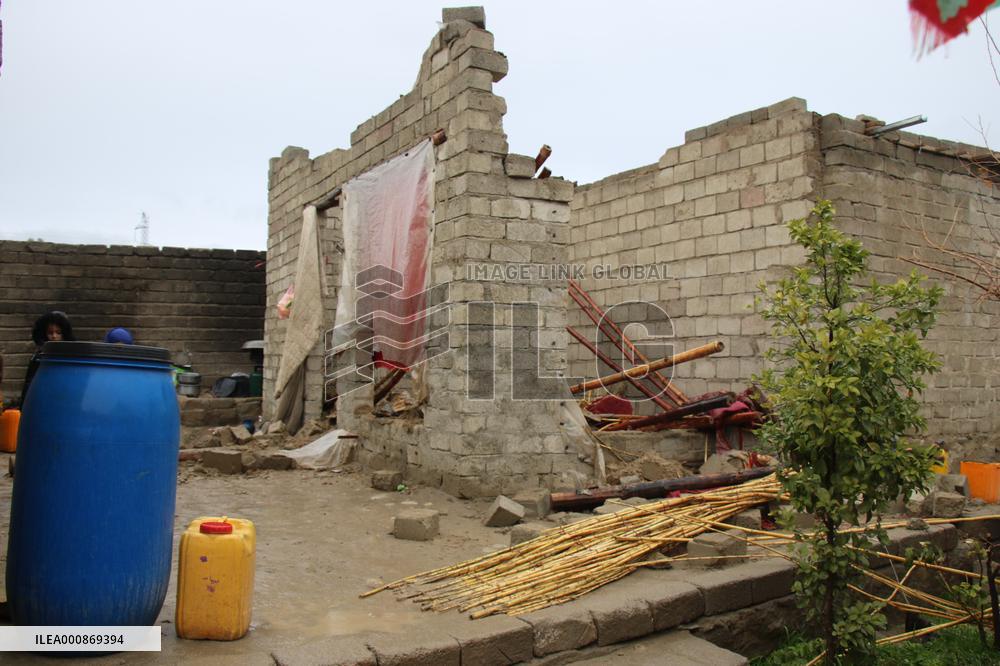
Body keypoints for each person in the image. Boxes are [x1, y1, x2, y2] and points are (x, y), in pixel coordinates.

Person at [21, 311, 76, 407]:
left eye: (58, 333)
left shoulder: (71, 356)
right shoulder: (39, 356)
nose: (54, 336)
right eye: (50, 333)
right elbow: (29, 383)